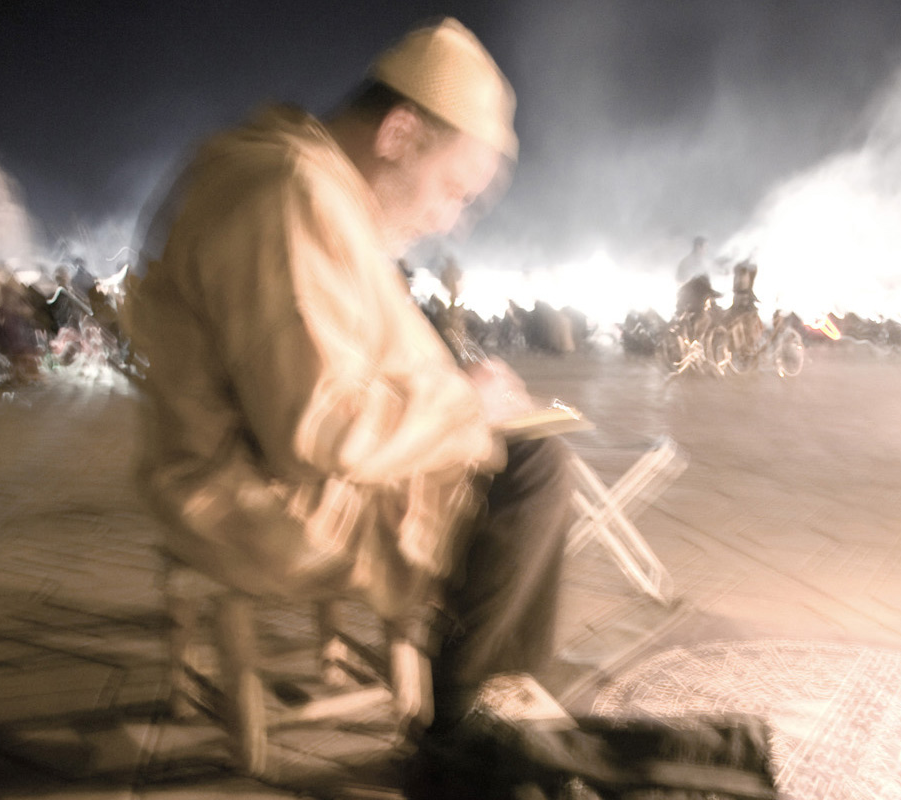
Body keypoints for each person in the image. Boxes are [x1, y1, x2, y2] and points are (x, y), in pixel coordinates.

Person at [129, 16, 574, 745]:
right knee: (528, 474)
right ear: (398, 134)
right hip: (253, 495)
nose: (453, 221)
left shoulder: (313, 185)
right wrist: (469, 405)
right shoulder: (291, 191)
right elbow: (320, 426)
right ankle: (472, 740)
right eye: (454, 190)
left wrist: (462, 399)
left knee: (522, 460)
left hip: (271, 468)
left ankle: (490, 714)